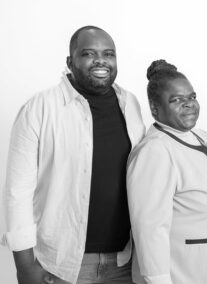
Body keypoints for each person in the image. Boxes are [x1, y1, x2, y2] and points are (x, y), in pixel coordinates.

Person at [2, 26, 146, 284]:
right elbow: (17, 192)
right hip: (62, 265)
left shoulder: (130, 103)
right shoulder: (40, 108)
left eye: (109, 54)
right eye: (89, 53)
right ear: (70, 62)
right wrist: (25, 267)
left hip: (124, 261)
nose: (101, 60)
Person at [127, 59, 207, 284]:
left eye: (192, 97)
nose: (189, 104)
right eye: (177, 100)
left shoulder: (199, 136)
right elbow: (149, 230)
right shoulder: (155, 151)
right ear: (155, 108)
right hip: (187, 274)